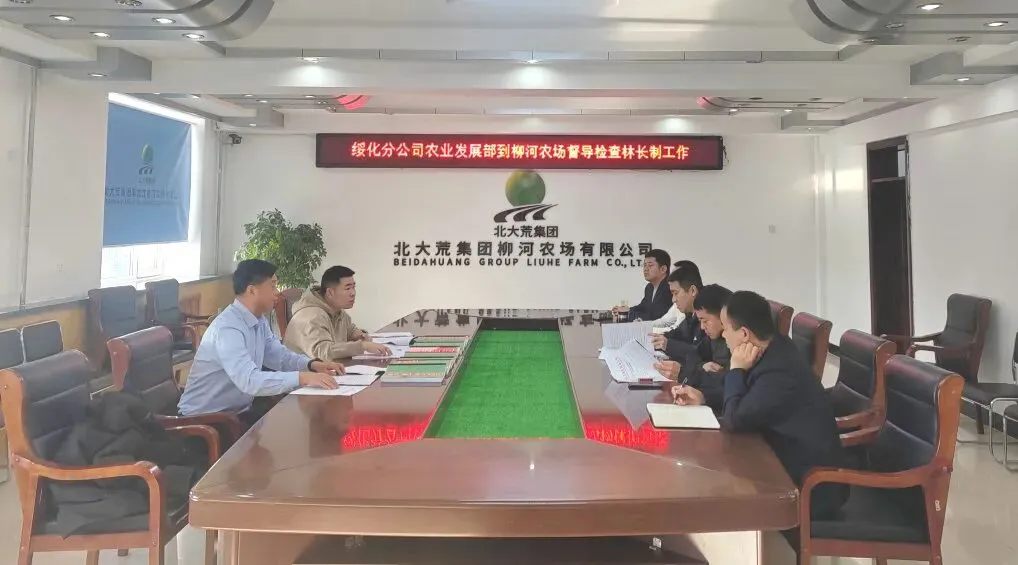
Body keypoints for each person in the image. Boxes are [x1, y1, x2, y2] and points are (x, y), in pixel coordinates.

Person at [667, 291, 848, 519]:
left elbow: (734, 420)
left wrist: (736, 369)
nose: (723, 334)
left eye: (726, 328)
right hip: (778, 459)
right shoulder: (774, 346)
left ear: (744, 334)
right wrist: (703, 397)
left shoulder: (779, 372)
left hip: (807, 486)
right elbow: (745, 396)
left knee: (708, 492)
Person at [178, 259, 346, 429]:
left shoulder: (258, 320)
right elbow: (249, 380)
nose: (277, 293)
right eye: (272, 286)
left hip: (237, 414)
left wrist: (312, 365)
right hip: (203, 423)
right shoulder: (228, 329)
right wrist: (303, 378)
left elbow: (279, 355)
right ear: (252, 290)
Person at [284, 265, 392, 360]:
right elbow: (323, 352)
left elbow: (350, 330)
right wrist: (362, 346)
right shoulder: (311, 316)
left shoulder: (337, 310)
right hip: (304, 375)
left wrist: (360, 335)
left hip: (329, 370)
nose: (353, 293)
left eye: (353, 287)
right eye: (348, 288)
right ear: (330, 292)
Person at [655, 284, 732, 390]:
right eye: (700, 321)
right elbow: (694, 353)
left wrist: (684, 374)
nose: (702, 327)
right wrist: (702, 366)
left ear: (723, 315)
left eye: (705, 321)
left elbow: (727, 385)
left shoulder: (737, 343)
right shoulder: (714, 337)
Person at [649, 262, 706, 363]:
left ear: (693, 291)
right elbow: (677, 334)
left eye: (676, 293)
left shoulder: (708, 314)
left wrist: (668, 345)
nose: (673, 300)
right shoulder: (690, 314)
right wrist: (657, 339)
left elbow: (702, 353)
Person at [613, 249, 673, 322]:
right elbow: (642, 308)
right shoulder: (649, 287)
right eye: (644, 265)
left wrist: (628, 313)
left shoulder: (670, 288)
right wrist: (625, 310)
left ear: (663, 269)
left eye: (650, 265)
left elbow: (654, 317)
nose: (645, 269)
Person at [647, 260, 701, 332]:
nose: (673, 300)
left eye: (676, 293)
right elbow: (665, 323)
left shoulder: (702, 311)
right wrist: (641, 326)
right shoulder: (689, 311)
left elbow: (677, 331)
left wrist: (648, 331)